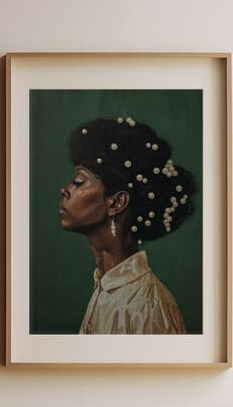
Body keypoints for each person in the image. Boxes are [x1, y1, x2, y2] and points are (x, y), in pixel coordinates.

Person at [58, 116, 197, 334]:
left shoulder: (147, 307)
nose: (65, 190)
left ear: (116, 203)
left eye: (79, 181)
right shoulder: (105, 287)